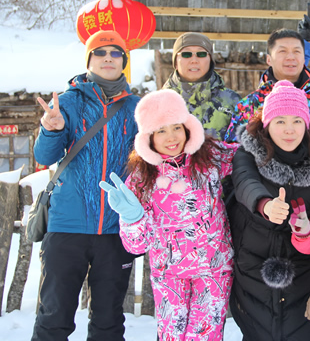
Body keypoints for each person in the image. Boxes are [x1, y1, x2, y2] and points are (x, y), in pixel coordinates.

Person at [99, 89, 238, 341]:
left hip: (213, 269)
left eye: (176, 127)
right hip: (168, 275)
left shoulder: (211, 157)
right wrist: (132, 219)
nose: (171, 137)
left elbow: (251, 157)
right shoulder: (141, 178)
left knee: (206, 337)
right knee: (171, 337)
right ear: (149, 137)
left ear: (187, 128)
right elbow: (135, 246)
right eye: (161, 130)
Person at [31, 30, 139, 341]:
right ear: (89, 60)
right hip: (67, 227)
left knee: (108, 321)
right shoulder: (68, 102)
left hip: (115, 230)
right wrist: (51, 130)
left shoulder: (136, 107)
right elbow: (44, 156)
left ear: (123, 61)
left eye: (115, 53)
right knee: (54, 316)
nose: (108, 57)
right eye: (100, 52)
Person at [228, 80, 310, 340]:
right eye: (280, 121)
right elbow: (245, 182)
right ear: (267, 125)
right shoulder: (247, 153)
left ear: (307, 124)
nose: (289, 130)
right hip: (252, 268)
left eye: (296, 121)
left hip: (302, 272)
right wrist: (264, 204)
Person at [224, 28, 310, 143]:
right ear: (269, 59)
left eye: (296, 51)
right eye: (282, 51)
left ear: (304, 58)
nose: (290, 57)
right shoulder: (250, 104)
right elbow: (232, 149)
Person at [163, 32, 240, 141]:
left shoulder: (232, 101)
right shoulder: (159, 103)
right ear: (175, 62)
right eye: (186, 54)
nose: (194, 60)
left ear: (210, 61)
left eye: (201, 54)